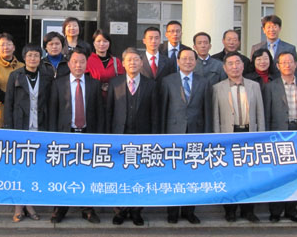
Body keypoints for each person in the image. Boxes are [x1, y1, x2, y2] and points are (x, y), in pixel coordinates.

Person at [49, 48, 104, 224]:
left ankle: (87, 209)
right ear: (69, 64)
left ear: (87, 64)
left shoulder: (94, 84)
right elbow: (53, 111)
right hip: (66, 135)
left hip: (88, 134)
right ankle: (60, 209)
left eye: (82, 62)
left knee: (87, 173)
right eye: (75, 62)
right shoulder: (58, 84)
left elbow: (99, 112)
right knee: (63, 173)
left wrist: (99, 137)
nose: (78, 65)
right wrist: (53, 137)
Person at [106, 47, 158, 226]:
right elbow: (109, 111)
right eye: (129, 60)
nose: (133, 63)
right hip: (119, 136)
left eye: (136, 59)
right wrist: (108, 138)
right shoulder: (115, 83)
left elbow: (154, 114)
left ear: (142, 63)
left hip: (143, 137)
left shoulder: (151, 84)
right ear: (122, 63)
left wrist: (153, 138)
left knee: (140, 175)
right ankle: (120, 211)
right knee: (119, 175)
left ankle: (136, 211)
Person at [263, 51, 297, 223]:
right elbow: (266, 113)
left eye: (290, 61)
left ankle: (292, 210)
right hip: (278, 134)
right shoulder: (270, 87)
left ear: (296, 64)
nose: (287, 65)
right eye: (283, 62)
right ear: (278, 66)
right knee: (277, 174)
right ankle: (275, 211)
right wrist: (267, 136)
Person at [161, 48, 212, 225]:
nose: (188, 62)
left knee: (193, 174)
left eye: (191, 59)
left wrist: (207, 136)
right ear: (178, 61)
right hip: (173, 134)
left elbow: (207, 111)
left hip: (196, 134)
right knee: (173, 174)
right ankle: (172, 211)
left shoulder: (204, 82)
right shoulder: (168, 81)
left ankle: (189, 211)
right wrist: (162, 136)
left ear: (196, 62)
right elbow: (164, 109)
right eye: (184, 59)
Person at [212, 52, 265, 223]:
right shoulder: (217, 88)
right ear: (224, 67)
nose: (234, 67)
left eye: (237, 63)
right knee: (229, 175)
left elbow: (260, 114)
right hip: (228, 137)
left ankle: (248, 210)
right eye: (230, 63)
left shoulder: (254, 86)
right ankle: (230, 210)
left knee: (249, 174)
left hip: (249, 136)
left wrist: (261, 137)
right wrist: (217, 140)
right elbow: (216, 117)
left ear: (243, 65)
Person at [4, 43, 53, 223]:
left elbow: (50, 103)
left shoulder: (47, 77)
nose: (33, 58)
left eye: (36, 55)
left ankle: (30, 204)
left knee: (33, 170)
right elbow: (8, 103)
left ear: (41, 58)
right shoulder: (15, 76)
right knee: (19, 169)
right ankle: (19, 207)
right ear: (24, 58)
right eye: (30, 55)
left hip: (40, 128)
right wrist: (9, 129)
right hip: (20, 128)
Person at [0, 33, 24, 129]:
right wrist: (14, 101)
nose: (6, 47)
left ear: (14, 47)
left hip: (18, 112)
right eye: (2, 45)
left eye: (9, 44)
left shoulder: (22, 66)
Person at [86, 29, 125, 99]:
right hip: (93, 97)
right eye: (98, 41)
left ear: (109, 43)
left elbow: (121, 81)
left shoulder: (116, 61)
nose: (102, 44)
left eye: (105, 41)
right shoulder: (87, 61)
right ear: (94, 43)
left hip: (113, 98)